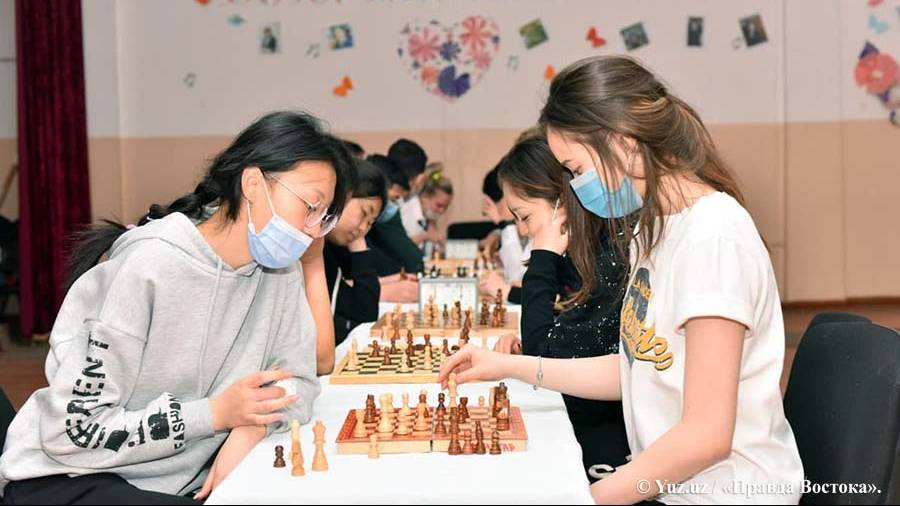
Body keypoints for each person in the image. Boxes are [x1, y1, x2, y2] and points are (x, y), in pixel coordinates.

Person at [440, 55, 803, 505]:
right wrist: (509, 366)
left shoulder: (713, 239)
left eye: (575, 169)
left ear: (624, 142)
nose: (575, 187)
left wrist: (587, 498)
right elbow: (640, 369)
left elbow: (706, 436)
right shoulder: (656, 230)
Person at [0, 111, 353, 505]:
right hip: (71, 477)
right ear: (253, 184)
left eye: (324, 217)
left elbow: (301, 380)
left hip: (176, 482)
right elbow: (73, 432)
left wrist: (252, 424)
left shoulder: (280, 272)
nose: (312, 229)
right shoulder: (149, 266)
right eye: (310, 206)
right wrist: (215, 414)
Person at [491, 135, 631, 479]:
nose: (523, 230)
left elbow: (543, 352)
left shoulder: (609, 256)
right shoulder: (583, 252)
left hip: (615, 439)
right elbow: (558, 339)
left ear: (561, 202)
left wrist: (542, 257)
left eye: (524, 216)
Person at [323, 159, 386, 347]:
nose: (364, 228)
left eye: (371, 223)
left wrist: (358, 242)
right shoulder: (310, 246)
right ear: (341, 193)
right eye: (364, 213)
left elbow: (366, 312)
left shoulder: (332, 248)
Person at [400, 167, 453, 248]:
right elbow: (399, 246)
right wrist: (425, 236)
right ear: (424, 197)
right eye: (439, 205)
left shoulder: (428, 216)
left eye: (446, 207)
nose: (442, 211)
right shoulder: (405, 213)